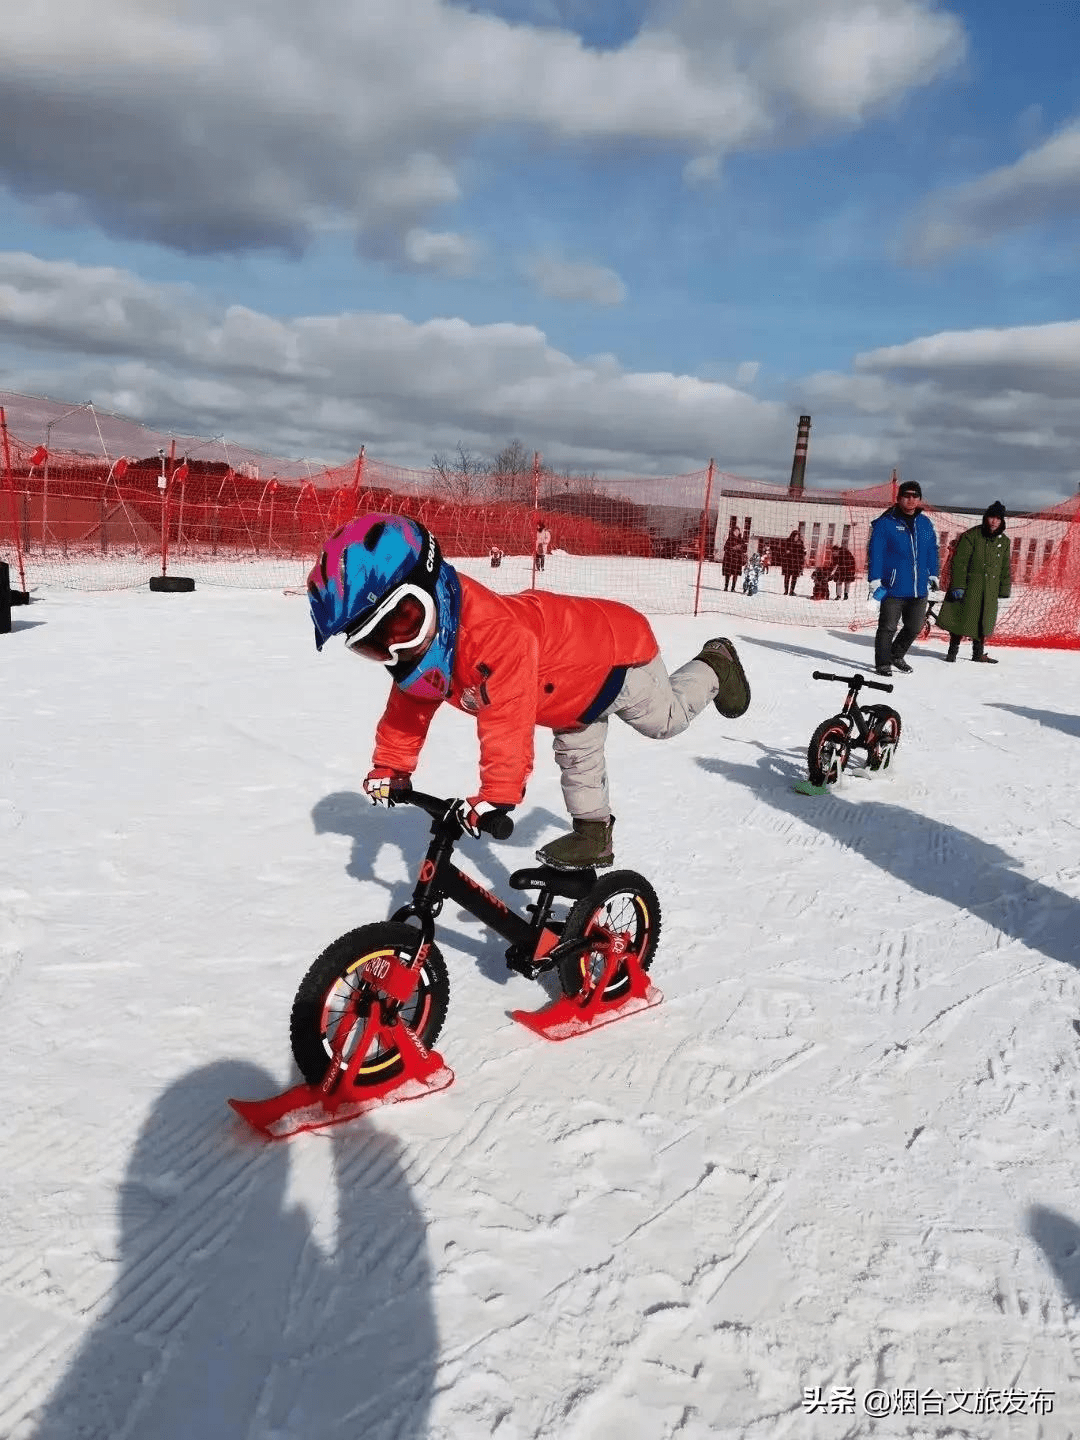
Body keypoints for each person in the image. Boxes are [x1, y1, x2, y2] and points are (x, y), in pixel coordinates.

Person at [307, 514, 752, 870]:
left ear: (433, 585)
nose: (398, 649)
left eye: (402, 623)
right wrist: (391, 765)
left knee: (664, 722)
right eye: (373, 645)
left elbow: (507, 716)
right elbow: (409, 705)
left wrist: (498, 791)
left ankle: (716, 663)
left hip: (613, 655)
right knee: (577, 752)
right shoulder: (426, 649)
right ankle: (594, 834)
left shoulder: (495, 635)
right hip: (564, 694)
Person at [867, 480, 940, 676]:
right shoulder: (886, 523)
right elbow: (876, 553)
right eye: (906, 496)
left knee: (915, 626)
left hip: (919, 588)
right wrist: (874, 580)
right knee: (888, 627)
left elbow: (932, 550)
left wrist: (933, 573)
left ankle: (896, 655)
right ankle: (883, 663)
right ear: (898, 498)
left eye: (914, 496)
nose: (910, 500)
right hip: (892, 586)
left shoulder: (924, 523)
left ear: (919, 499)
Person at [936, 500, 1011, 663]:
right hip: (970, 586)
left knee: (983, 620)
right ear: (985, 518)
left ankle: (978, 654)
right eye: (991, 517)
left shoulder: (1004, 541)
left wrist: (1003, 588)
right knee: (960, 618)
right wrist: (958, 585)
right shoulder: (971, 536)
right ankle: (952, 652)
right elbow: (960, 562)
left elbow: (1005, 566)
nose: (994, 521)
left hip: (990, 588)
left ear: (1002, 521)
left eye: (998, 519)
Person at [781, 529, 805, 596]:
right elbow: (783, 549)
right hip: (788, 562)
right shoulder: (788, 541)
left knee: (794, 577)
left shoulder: (800, 542)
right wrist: (786, 552)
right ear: (792, 536)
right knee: (787, 576)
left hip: (796, 563)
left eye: (797, 537)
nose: (796, 538)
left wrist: (804, 553)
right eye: (795, 536)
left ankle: (791, 591)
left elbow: (802, 552)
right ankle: (786, 591)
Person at [721, 525, 744, 592]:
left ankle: (733, 588)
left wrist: (739, 548)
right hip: (729, 559)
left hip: (737, 560)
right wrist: (732, 549)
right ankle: (726, 587)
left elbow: (744, 549)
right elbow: (725, 548)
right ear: (732, 532)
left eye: (738, 531)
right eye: (735, 531)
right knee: (728, 574)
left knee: (735, 574)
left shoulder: (741, 540)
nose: (736, 533)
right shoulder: (730, 539)